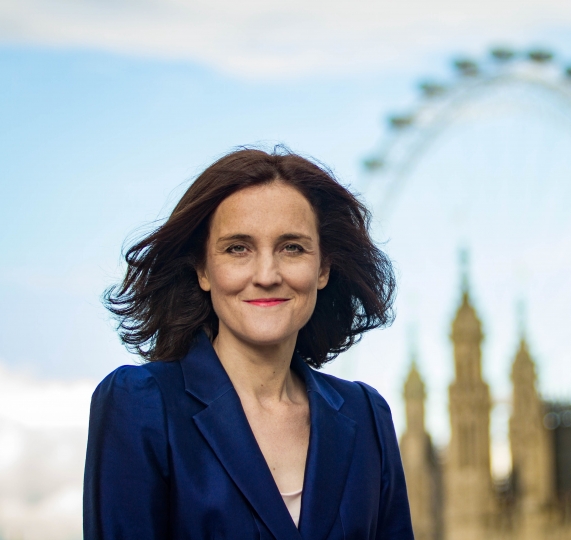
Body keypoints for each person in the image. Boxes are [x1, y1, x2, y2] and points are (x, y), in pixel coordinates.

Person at [83, 147, 414, 540]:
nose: (266, 274)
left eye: (292, 247)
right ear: (203, 270)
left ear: (323, 268)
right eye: (237, 248)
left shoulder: (366, 415)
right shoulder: (141, 404)